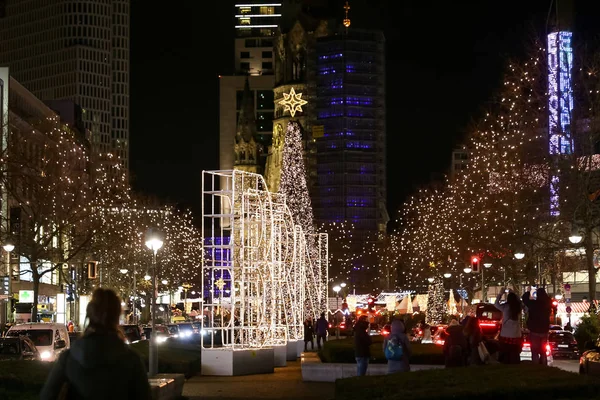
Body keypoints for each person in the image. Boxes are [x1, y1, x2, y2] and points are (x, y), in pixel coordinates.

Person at [40, 288, 151, 400]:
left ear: (89, 315)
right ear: (117, 317)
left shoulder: (68, 358)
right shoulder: (132, 360)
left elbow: (48, 395)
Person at [522, 287, 551, 365]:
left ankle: (536, 367)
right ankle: (544, 366)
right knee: (543, 351)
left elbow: (525, 300)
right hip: (544, 330)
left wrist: (528, 292)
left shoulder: (534, 304)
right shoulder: (548, 304)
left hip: (534, 330)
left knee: (534, 351)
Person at [494, 288, 523, 364]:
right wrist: (515, 294)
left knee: (506, 354)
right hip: (516, 334)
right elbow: (524, 306)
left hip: (505, 334)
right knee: (515, 354)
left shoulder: (505, 307)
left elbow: (496, 304)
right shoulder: (518, 307)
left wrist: (500, 294)